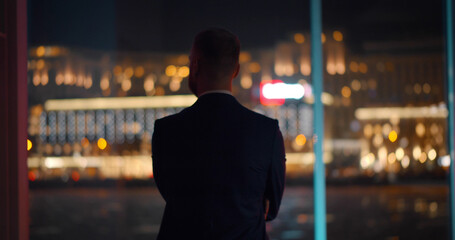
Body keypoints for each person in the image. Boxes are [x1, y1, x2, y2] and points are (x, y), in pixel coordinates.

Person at [152, 28, 286, 240]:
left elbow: (170, 193)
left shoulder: (166, 130)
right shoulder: (266, 131)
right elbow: (272, 208)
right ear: (236, 70)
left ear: (194, 66)